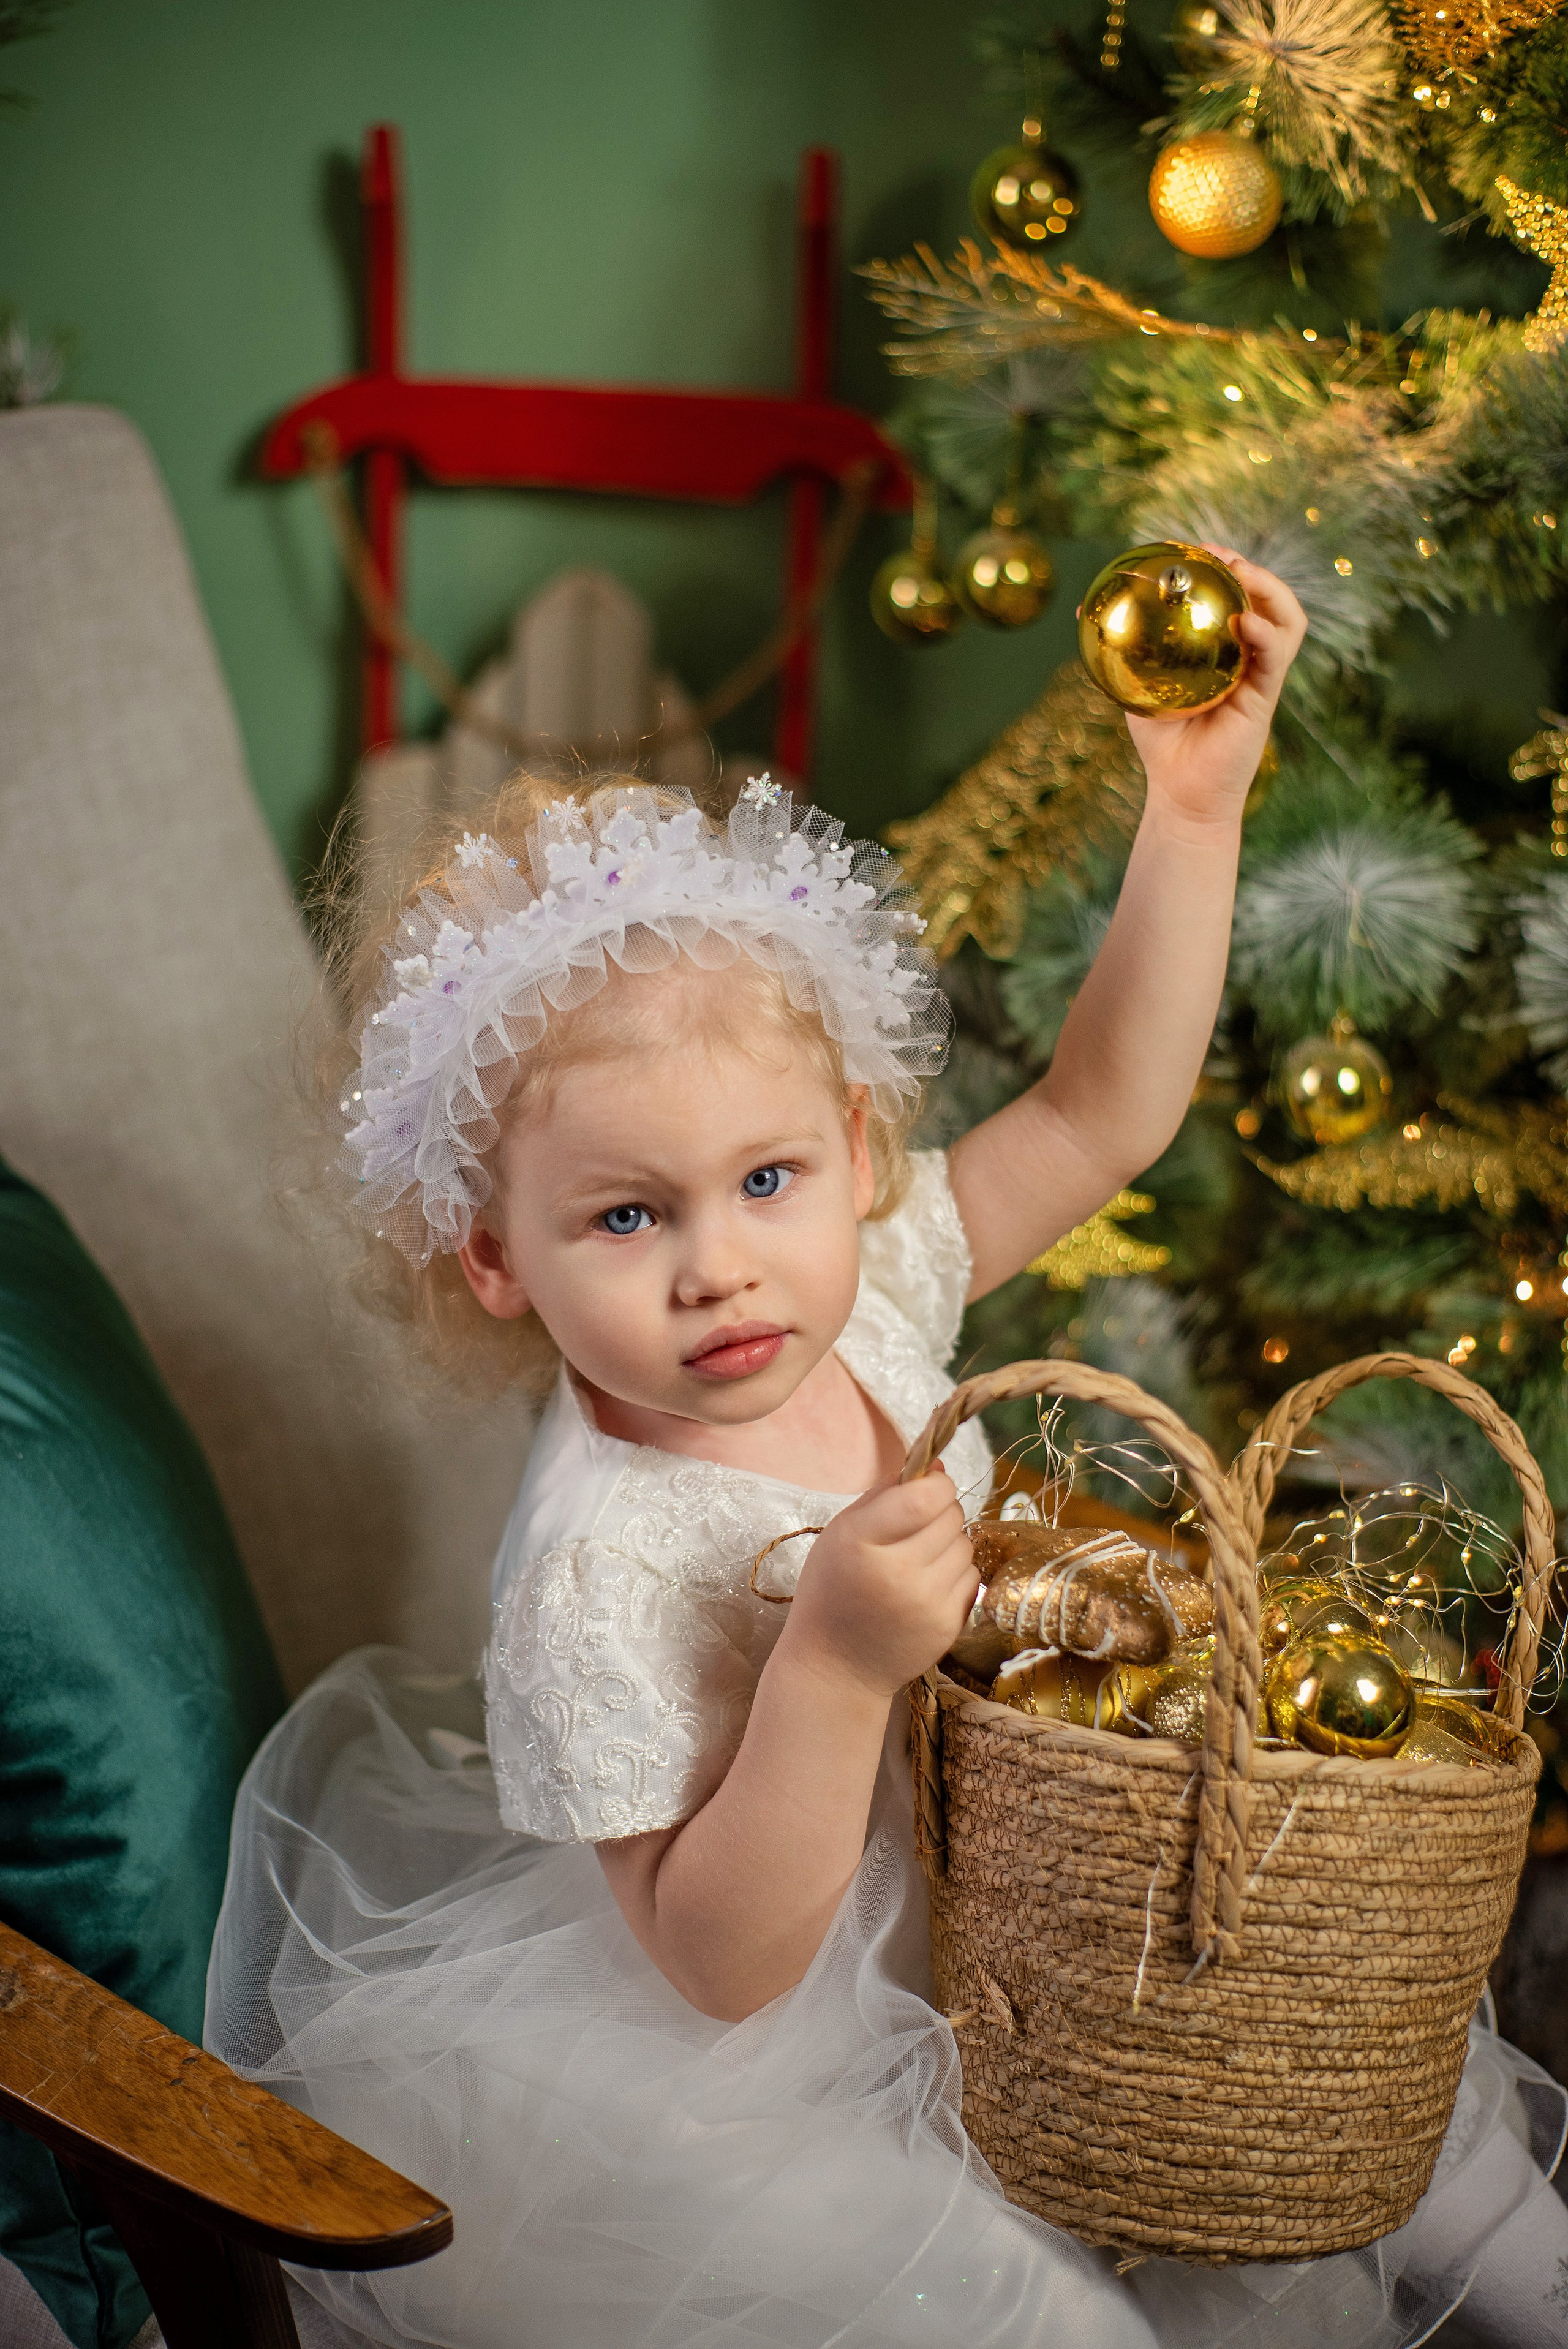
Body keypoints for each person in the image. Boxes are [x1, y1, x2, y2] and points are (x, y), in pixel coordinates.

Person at [206, 554, 1568, 2348]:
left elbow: (1100, 1110)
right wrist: (837, 1663)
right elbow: (717, 1967)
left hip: (1040, 1896)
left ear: (856, 1150)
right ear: (493, 1257)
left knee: (1386, 2100)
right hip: (793, 2058)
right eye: (626, 1215)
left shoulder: (865, 1292)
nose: (721, 1266)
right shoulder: (597, 1564)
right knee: (1034, 2320)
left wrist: (1193, 812)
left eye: (767, 1178)